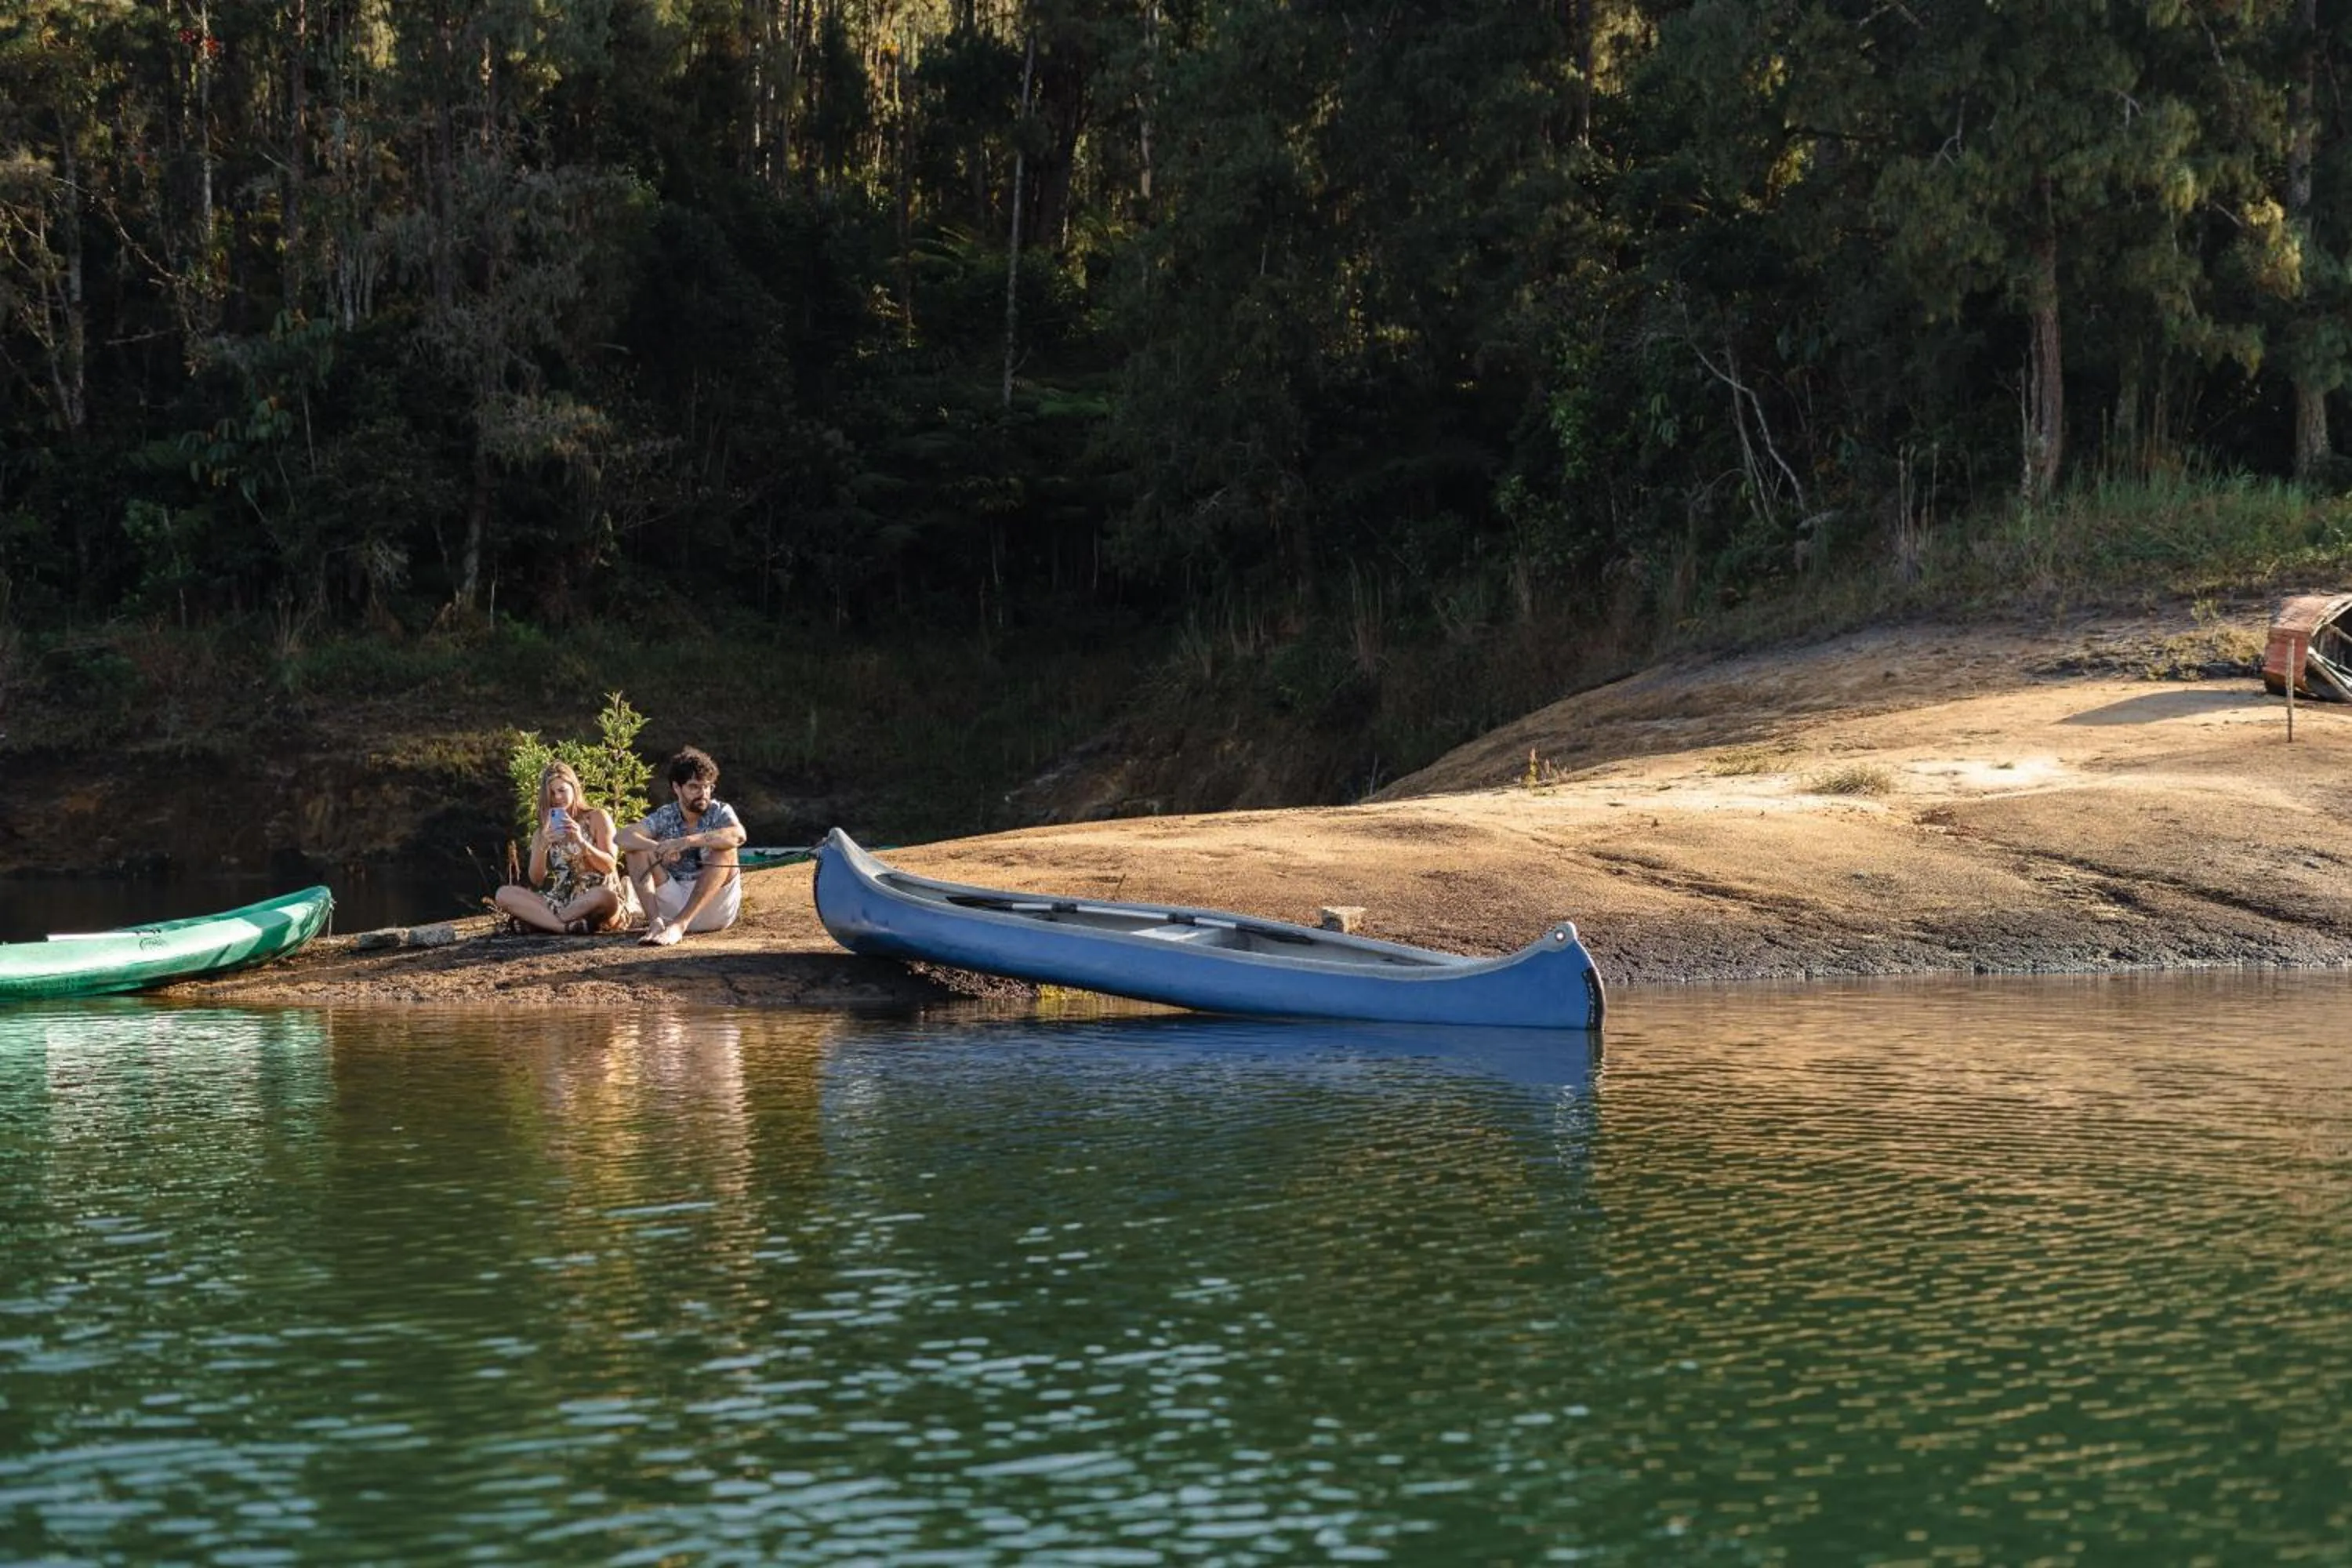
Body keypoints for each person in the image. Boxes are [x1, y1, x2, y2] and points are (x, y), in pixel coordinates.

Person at [617, 746, 746, 946]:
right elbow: (622, 837)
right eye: (694, 787)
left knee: (726, 849)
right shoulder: (666, 815)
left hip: (714, 907)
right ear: (677, 788)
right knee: (636, 850)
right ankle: (655, 923)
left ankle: (680, 925)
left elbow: (738, 836)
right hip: (674, 901)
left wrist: (685, 842)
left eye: (707, 787)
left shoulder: (720, 811)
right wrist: (658, 848)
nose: (703, 793)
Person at [493, 761, 622, 935]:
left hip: (594, 897)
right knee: (503, 894)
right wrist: (542, 848)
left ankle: (542, 922)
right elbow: (537, 880)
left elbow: (609, 866)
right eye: (551, 794)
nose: (557, 798)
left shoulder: (598, 817)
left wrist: (582, 843)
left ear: (574, 788)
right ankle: (562, 927)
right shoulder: (543, 832)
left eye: (562, 791)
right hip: (561, 899)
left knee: (605, 897)